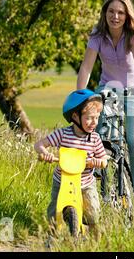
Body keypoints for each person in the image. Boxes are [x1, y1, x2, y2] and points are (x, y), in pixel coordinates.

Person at [76, 0, 134, 205]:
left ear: (127, 16)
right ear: (105, 13)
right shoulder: (97, 35)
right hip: (108, 91)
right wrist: (80, 95)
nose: (115, 16)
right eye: (111, 11)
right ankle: (99, 184)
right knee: (99, 138)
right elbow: (86, 67)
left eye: (120, 12)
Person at [34, 89, 107, 239]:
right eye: (89, 118)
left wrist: (97, 162)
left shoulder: (94, 139)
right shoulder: (62, 134)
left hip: (85, 184)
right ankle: (52, 237)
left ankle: (94, 239)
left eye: (97, 118)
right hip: (62, 181)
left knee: (93, 214)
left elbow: (104, 160)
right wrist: (45, 153)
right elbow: (39, 144)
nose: (94, 122)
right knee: (55, 211)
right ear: (75, 116)